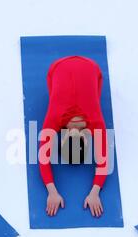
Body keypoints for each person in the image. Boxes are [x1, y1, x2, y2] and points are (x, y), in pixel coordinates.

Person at [39, 56, 108, 217]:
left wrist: (52, 191)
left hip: (86, 66)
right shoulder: (54, 119)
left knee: (91, 96)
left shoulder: (95, 122)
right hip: (61, 66)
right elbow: (102, 161)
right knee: (57, 95)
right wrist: (94, 192)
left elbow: (43, 160)